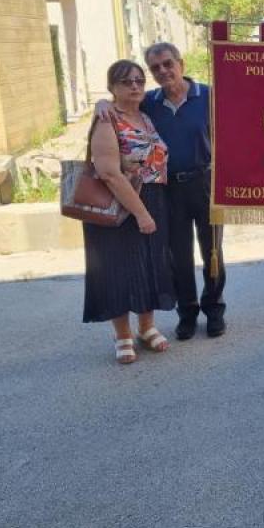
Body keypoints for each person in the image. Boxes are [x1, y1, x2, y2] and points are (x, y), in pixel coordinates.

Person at [98, 43, 225, 340]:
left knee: (213, 252)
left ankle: (215, 309)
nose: (163, 72)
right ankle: (188, 313)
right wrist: (100, 104)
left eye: (168, 64)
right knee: (177, 256)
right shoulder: (150, 102)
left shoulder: (208, 96)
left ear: (180, 63)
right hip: (169, 190)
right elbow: (121, 108)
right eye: (155, 68)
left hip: (206, 184)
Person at [83, 60, 176, 364]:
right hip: (120, 204)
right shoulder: (107, 118)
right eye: (126, 82)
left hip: (152, 198)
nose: (134, 86)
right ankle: (122, 335)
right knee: (118, 271)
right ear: (112, 88)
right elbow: (109, 173)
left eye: (139, 80)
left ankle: (146, 327)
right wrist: (141, 214)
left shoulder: (145, 117)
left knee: (148, 264)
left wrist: (150, 210)